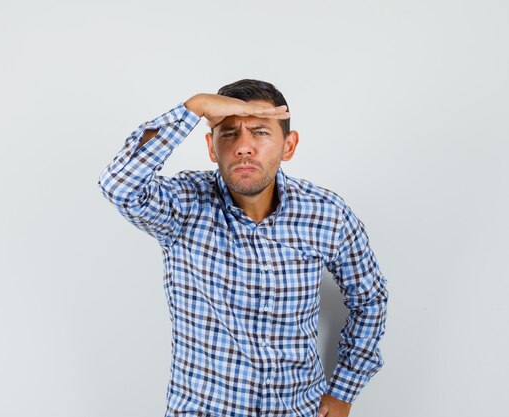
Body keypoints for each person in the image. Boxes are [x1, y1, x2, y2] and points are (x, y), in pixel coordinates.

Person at [98, 79, 388, 417]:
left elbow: (370, 298)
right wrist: (194, 108)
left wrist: (344, 391)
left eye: (261, 132)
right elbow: (119, 186)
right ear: (211, 147)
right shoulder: (182, 205)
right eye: (230, 132)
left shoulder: (326, 213)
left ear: (289, 146)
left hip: (296, 410)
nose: (244, 147)